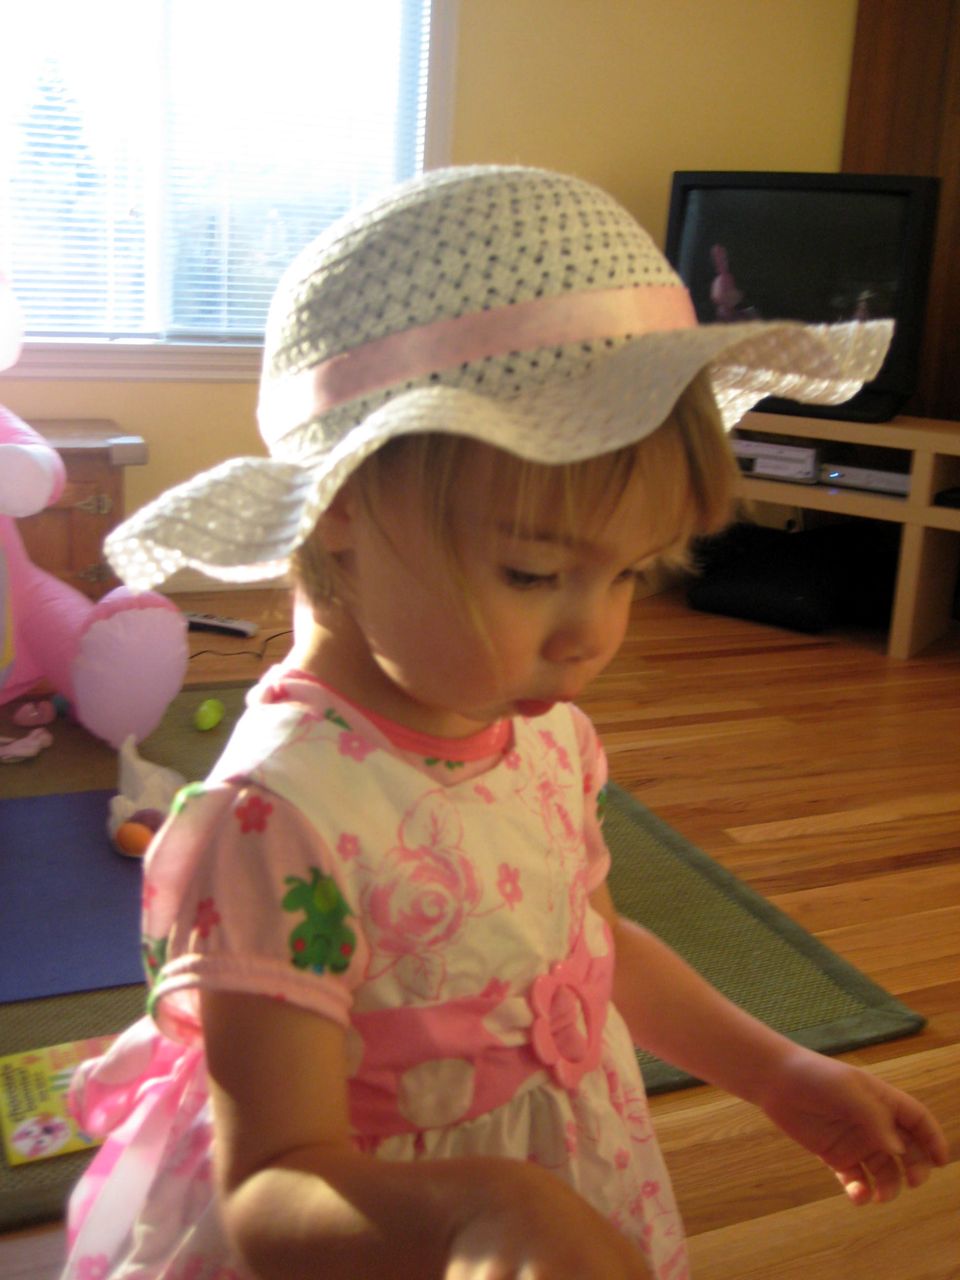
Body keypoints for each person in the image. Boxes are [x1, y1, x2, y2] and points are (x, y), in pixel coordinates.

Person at [63, 166, 946, 1280]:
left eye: (629, 573)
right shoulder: (274, 821)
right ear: (342, 509)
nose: (594, 634)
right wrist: (480, 1212)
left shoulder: (547, 736)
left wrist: (777, 1071)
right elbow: (268, 1190)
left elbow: (593, 947)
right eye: (533, 571)